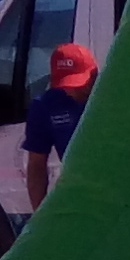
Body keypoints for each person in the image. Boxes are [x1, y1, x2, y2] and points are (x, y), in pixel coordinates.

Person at [21, 41, 96, 203]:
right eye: (67, 84)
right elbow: (36, 165)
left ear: (94, 74)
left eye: (80, 83)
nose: (73, 90)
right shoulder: (45, 106)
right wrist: (39, 212)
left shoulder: (113, 101)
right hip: (76, 195)